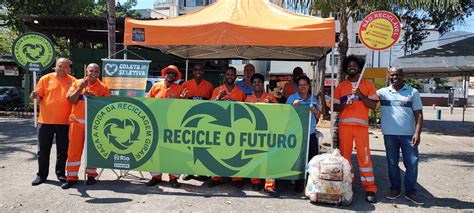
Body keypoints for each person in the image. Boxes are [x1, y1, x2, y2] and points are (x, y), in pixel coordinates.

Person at [333, 55, 379, 203]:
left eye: (355, 65)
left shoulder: (367, 85)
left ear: (359, 68)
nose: (352, 67)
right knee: (346, 157)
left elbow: (373, 105)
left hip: (361, 128)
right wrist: (345, 104)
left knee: (364, 157)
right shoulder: (341, 86)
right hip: (345, 127)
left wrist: (361, 95)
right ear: (346, 68)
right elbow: (334, 107)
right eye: (349, 65)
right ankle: (348, 184)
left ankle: (370, 188)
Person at [377, 66, 424, 205]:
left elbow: (419, 114)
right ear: (389, 76)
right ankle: (395, 189)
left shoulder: (413, 92)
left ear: (402, 75)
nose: (394, 77)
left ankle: (410, 192)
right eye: (392, 75)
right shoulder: (382, 92)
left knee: (412, 163)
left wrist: (417, 132)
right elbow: (368, 98)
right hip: (389, 135)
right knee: (392, 163)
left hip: (408, 135)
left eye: (397, 75)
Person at [61, 63, 111, 189]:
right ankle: (71, 177)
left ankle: (91, 175)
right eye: (91, 71)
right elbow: (71, 100)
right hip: (77, 123)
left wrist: (94, 98)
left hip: (94, 124)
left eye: (96, 71)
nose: (93, 73)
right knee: (74, 151)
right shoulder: (78, 83)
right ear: (86, 72)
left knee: (92, 152)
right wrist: (80, 89)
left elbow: (107, 106)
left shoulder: (103, 86)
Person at [30, 58, 77, 186]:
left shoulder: (73, 81)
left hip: (65, 122)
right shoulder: (45, 79)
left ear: (69, 68)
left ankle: (61, 173)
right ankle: (41, 175)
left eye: (66, 67)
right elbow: (39, 98)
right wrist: (35, 96)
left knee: (63, 150)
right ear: (55, 66)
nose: (62, 68)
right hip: (45, 121)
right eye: (60, 66)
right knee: (43, 150)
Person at [146, 65, 183, 188]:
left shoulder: (180, 89)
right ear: (164, 74)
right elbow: (148, 102)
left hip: (173, 126)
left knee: (174, 152)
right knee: (156, 151)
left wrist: (182, 100)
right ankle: (156, 176)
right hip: (157, 124)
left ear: (176, 76)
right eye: (168, 72)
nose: (170, 75)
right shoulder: (156, 86)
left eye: (173, 73)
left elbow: (184, 108)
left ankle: (174, 178)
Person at [209, 66, 246, 188]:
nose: (230, 77)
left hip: (235, 127)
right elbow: (209, 108)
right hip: (219, 126)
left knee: (235, 152)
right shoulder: (217, 90)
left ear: (235, 77)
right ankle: (215, 177)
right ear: (225, 76)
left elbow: (246, 110)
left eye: (232, 75)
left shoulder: (240, 92)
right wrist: (219, 97)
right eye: (228, 74)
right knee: (216, 152)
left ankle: (236, 178)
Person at [245, 73, 279, 197]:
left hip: (268, 134)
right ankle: (255, 181)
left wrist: (272, 104)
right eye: (254, 82)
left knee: (269, 159)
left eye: (259, 82)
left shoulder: (270, 97)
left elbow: (280, 113)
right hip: (254, 134)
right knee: (254, 157)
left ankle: (269, 186)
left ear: (262, 83)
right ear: (252, 84)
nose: (256, 84)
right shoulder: (248, 98)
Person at [286, 76, 320, 193]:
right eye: (300, 85)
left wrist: (315, 111)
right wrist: (293, 107)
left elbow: (318, 116)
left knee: (312, 160)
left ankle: (310, 184)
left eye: (304, 84)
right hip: (298, 135)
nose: (302, 87)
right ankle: (299, 183)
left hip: (310, 134)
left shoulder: (313, 99)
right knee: (299, 161)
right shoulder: (292, 98)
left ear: (309, 86)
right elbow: (285, 116)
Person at [180, 63, 213, 181]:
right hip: (189, 121)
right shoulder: (185, 84)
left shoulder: (209, 86)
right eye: (195, 69)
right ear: (192, 72)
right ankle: (188, 172)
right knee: (188, 147)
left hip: (204, 122)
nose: (198, 71)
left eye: (200, 69)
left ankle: (202, 172)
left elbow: (211, 103)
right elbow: (180, 104)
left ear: (204, 71)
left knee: (202, 148)